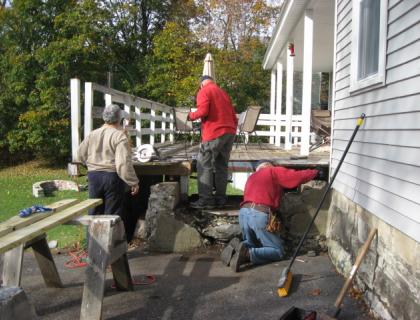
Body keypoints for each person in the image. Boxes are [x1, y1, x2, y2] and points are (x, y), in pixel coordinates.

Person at [222, 160, 318, 272]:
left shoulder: (252, 177)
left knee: (254, 243)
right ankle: (247, 254)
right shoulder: (272, 171)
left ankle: (238, 248)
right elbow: (295, 176)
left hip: (243, 213)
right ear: (268, 165)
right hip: (259, 214)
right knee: (278, 251)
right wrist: (315, 172)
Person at [77, 104, 139, 218]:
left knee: (94, 212)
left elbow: (80, 155)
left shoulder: (92, 134)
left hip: (93, 176)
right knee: (111, 216)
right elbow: (123, 164)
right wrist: (133, 181)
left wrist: (91, 167)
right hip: (112, 177)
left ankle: (92, 236)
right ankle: (111, 236)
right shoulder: (119, 136)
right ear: (119, 118)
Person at [188, 75, 238, 209]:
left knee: (204, 165)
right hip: (230, 132)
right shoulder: (223, 92)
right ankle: (221, 198)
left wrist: (190, 116)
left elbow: (203, 111)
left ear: (201, 84)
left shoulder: (203, 91)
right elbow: (234, 117)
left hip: (214, 132)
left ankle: (206, 200)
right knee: (222, 166)